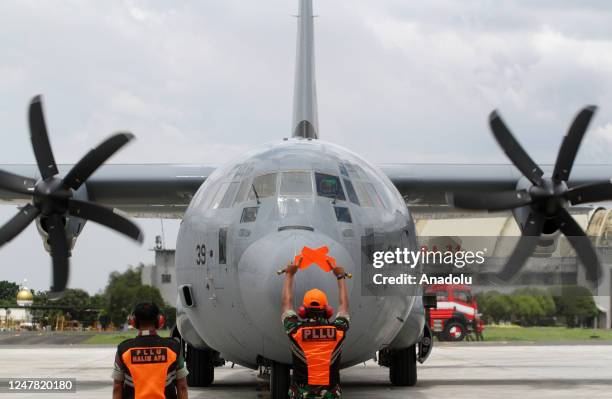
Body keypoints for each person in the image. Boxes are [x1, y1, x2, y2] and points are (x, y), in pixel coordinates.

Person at [281, 263, 350, 399]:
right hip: (330, 395)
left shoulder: (296, 331)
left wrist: (289, 275)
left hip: (301, 395)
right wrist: (340, 276)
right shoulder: (338, 331)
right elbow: (344, 307)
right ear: (328, 311)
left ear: (303, 311)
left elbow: (286, 304)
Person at [112, 302, 189, 399]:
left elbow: (117, 388)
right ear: (159, 320)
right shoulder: (174, 348)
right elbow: (182, 387)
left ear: (133, 322)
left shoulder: (123, 349)